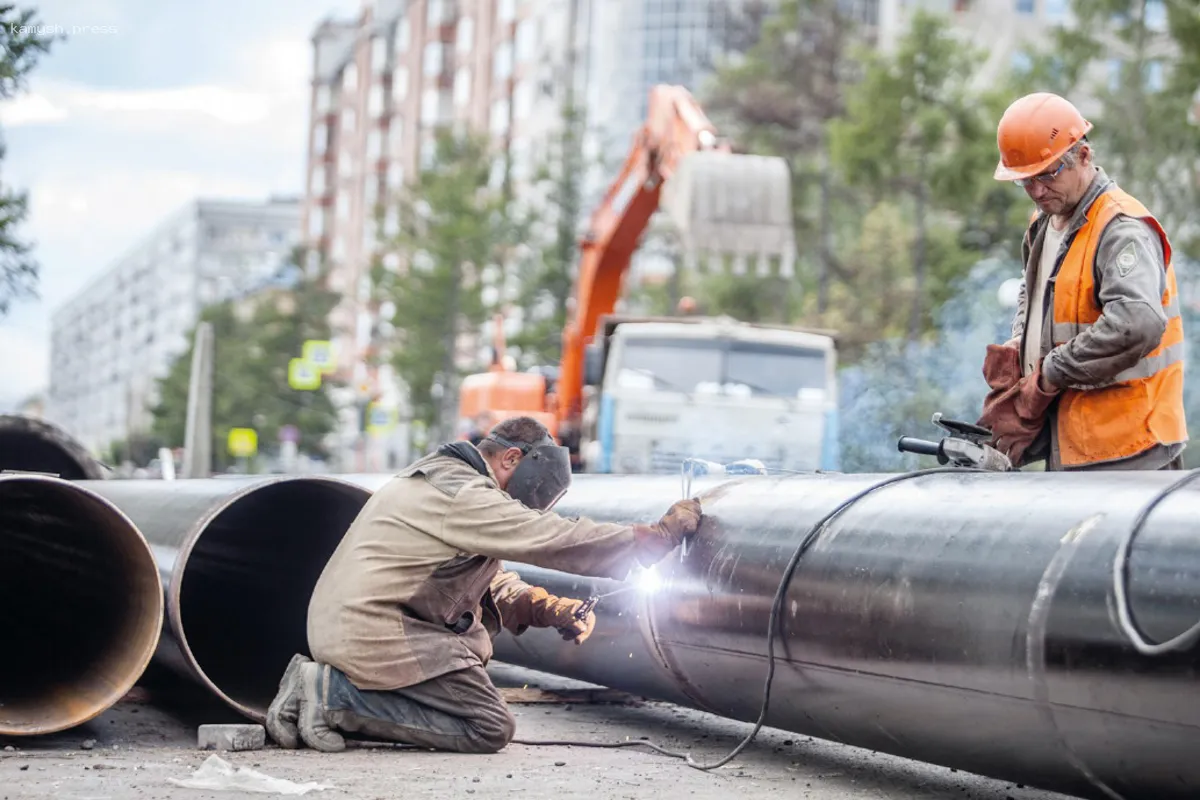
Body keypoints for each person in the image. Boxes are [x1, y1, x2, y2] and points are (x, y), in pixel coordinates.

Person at [264, 415, 702, 754]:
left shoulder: (446, 483)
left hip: (359, 626)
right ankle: (332, 697)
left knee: (471, 710)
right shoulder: (461, 493)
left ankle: (330, 694)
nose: (518, 507)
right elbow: (548, 536)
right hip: (374, 632)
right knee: (488, 726)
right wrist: (651, 540)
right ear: (510, 458)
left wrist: (548, 608)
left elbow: (488, 582)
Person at [978, 91, 1187, 471]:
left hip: (1130, 447)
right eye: (1025, 181)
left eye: (1047, 174)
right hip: (1076, 444)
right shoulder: (1044, 223)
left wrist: (1049, 372)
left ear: (1084, 156)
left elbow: (1136, 323)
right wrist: (1021, 345)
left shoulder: (1120, 229)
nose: (1036, 191)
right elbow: (1035, 293)